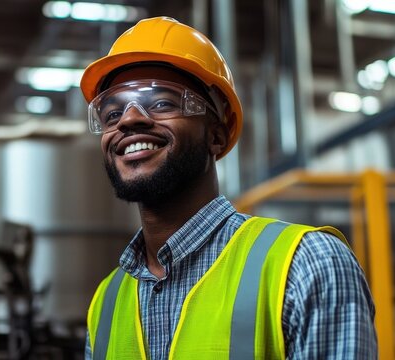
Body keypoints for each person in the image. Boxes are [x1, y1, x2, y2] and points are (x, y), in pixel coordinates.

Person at [79, 16, 377, 359]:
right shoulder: (106, 301)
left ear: (216, 135)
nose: (128, 119)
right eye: (112, 114)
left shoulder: (308, 265)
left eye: (162, 103)